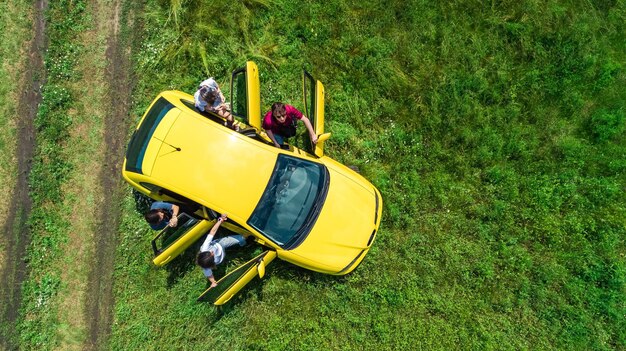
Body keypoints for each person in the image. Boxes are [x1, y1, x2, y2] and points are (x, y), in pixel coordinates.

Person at [196, 213, 246, 287]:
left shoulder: (205, 248)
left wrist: (220, 220)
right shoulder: (206, 267)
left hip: (220, 244)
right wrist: (213, 282)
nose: (212, 252)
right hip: (221, 257)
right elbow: (210, 275)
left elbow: (212, 232)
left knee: (243, 237)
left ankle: (243, 242)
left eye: (209, 252)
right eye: (212, 255)